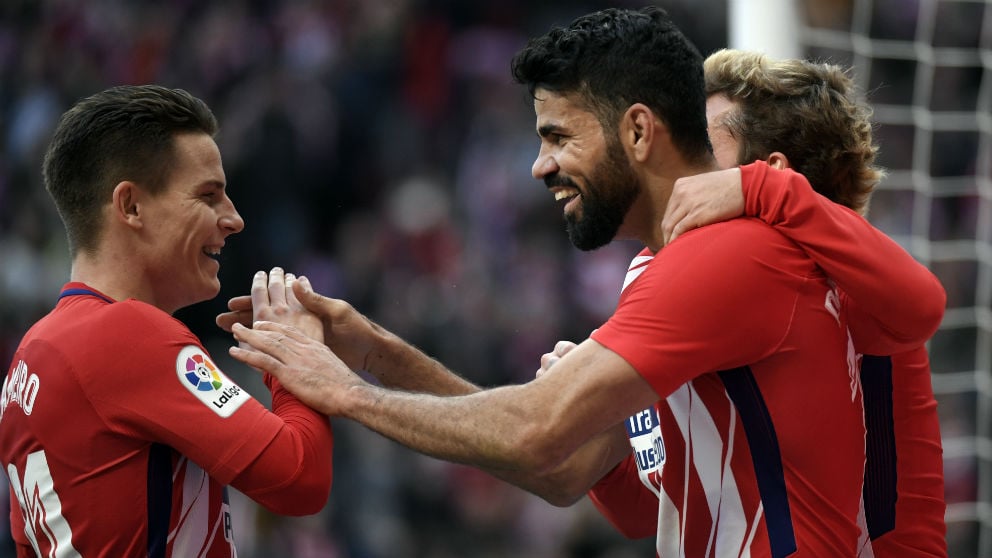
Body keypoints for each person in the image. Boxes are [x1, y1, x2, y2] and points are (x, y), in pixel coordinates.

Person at [223, 8, 942, 556]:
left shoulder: (736, 260)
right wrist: (374, 350)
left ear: (637, 132)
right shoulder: (667, 272)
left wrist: (343, 391)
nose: (539, 166)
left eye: (558, 137)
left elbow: (537, 433)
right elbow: (569, 469)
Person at [585, 49, 947, 557]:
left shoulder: (840, 276)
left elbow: (924, 304)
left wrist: (763, 190)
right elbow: (645, 509)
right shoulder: (682, 285)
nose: (681, 167)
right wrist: (593, 418)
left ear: (771, 173)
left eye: (703, 147)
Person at [0, 85, 334, 557]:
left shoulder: (30, 356)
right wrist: (295, 357)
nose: (234, 218)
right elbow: (301, 479)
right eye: (208, 195)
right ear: (131, 206)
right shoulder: (127, 335)